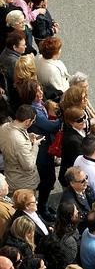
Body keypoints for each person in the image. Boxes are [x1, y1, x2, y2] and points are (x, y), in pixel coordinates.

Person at [21, 79, 60, 220]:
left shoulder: (38, 105)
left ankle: (43, 203)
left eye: (40, 90)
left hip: (45, 147)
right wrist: (61, 119)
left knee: (48, 179)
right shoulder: (34, 110)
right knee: (48, 180)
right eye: (37, 91)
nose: (40, 93)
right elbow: (51, 126)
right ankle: (42, 207)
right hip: (42, 151)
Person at [0, 104, 41, 192]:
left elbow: (11, 143)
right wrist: (35, 145)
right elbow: (29, 165)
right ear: (27, 121)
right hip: (24, 183)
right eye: (33, 121)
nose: (32, 123)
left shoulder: (4, 127)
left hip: (10, 177)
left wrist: (28, 137)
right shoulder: (20, 142)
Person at [59, 107, 88, 187]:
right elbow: (79, 161)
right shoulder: (72, 140)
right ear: (71, 123)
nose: (83, 121)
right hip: (72, 179)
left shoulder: (80, 129)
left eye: (84, 117)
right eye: (79, 120)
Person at [0, 175, 14, 239]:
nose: (8, 185)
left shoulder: (4, 198)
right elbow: (3, 234)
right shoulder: (2, 212)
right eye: (6, 185)